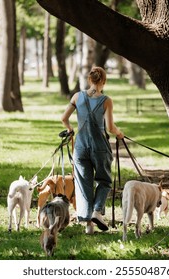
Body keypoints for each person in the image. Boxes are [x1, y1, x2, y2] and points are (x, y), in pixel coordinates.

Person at [61, 66, 124, 234]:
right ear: (103, 81)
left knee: (84, 185)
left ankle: (89, 226)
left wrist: (69, 129)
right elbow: (110, 127)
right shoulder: (106, 100)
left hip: (80, 148)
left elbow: (64, 118)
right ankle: (97, 211)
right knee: (104, 181)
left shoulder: (77, 96)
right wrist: (119, 134)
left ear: (90, 80)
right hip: (100, 148)